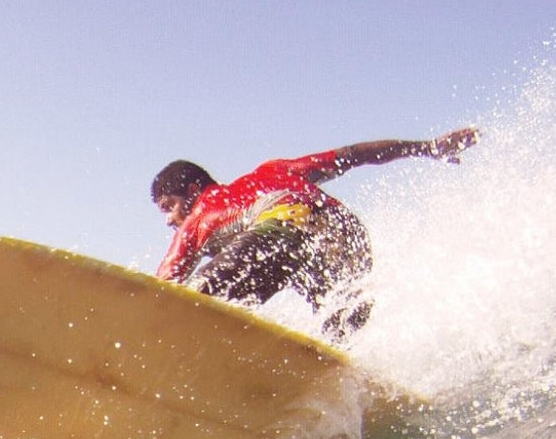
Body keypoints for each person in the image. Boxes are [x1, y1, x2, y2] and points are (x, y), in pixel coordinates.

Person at [152, 127, 479, 340]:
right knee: (337, 335)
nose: (169, 220)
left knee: (193, 299)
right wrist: (427, 147)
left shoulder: (198, 217)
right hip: (348, 235)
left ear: (194, 191)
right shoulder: (273, 170)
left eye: (169, 206)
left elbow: (161, 287)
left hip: (285, 222)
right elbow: (353, 155)